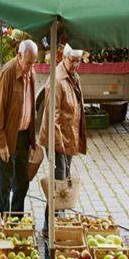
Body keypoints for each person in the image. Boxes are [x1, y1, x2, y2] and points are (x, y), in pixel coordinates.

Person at [0, 38, 39, 213]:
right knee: (5, 184)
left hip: (24, 136)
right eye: (28, 63)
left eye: (34, 63)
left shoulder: (30, 73)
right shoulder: (8, 72)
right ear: (19, 56)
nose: (31, 67)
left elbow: (31, 105)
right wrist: (1, 143)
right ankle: (3, 220)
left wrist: (33, 139)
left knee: (22, 182)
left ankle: (16, 220)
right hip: (8, 137)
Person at [37, 44, 87, 181]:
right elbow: (53, 116)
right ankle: (54, 202)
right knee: (60, 177)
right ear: (63, 57)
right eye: (72, 60)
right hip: (57, 139)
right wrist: (60, 146)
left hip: (67, 137)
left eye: (78, 61)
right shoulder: (58, 80)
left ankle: (57, 202)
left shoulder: (74, 76)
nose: (76, 64)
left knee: (64, 176)